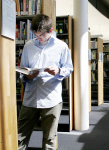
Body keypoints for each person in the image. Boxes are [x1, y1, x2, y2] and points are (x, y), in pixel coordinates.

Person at [18, 14, 73, 150]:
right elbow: (22, 70)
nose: (38, 37)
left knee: (49, 140)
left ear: (50, 30)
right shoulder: (28, 46)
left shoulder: (61, 46)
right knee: (20, 137)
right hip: (30, 98)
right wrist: (27, 76)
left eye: (41, 35)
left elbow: (69, 68)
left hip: (51, 99)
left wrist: (59, 71)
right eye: (35, 34)